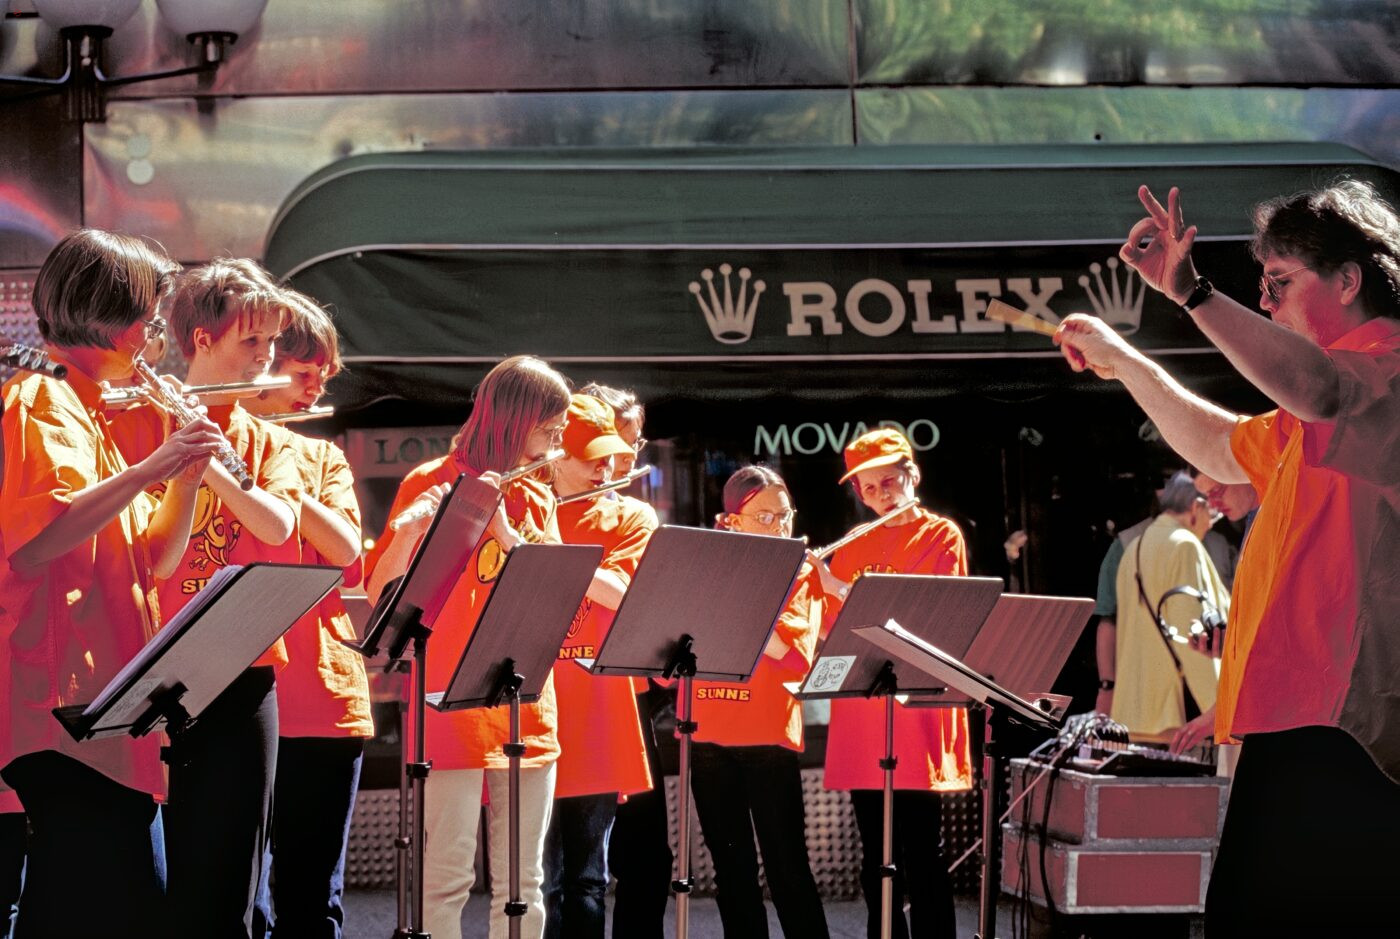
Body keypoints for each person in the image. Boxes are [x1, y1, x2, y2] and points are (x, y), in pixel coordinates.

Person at [1055, 180, 1400, 934]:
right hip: (1302, 718)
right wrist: (1125, 359)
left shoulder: (1382, 373)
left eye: (1278, 284)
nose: (1266, 304)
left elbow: (1318, 390)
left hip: (1353, 728)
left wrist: (1194, 294)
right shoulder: (1316, 403)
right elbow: (1219, 445)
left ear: (1348, 279)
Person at [0, 229, 225, 937]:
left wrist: (186, 477)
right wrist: (155, 465)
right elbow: (36, 543)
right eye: (150, 320)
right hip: (63, 713)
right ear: (106, 315)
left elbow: (155, 561)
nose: (155, 338)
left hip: (104, 711)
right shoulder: (43, 399)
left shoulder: (90, 412)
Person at [110, 258, 302, 938]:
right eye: (253, 340)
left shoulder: (262, 435)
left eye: (271, 342)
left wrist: (209, 461)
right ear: (201, 340)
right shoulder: (132, 421)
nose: (267, 355)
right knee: (149, 879)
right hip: (142, 667)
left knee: (231, 883)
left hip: (242, 667)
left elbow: (278, 526)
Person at [365, 355, 576, 939]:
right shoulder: (428, 481)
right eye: (550, 429)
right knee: (447, 875)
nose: (557, 443)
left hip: (524, 697)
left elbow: (555, 595)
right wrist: (410, 533)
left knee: (524, 883)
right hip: (447, 695)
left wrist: (505, 531)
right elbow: (377, 590)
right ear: (515, 420)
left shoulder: (536, 496)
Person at [243, 288, 373, 939]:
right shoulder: (217, 443)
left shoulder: (321, 456)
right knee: (242, 902)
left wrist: (282, 477)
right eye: (303, 372)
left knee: (312, 900)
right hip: (237, 700)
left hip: (322, 696)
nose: (316, 387)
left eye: (324, 375)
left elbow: (347, 552)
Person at [822, 427, 968, 939]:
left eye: (889, 481)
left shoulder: (941, 534)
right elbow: (833, 634)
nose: (881, 495)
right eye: (869, 487)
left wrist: (837, 588)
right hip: (863, 713)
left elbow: (928, 615)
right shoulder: (851, 545)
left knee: (924, 850)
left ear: (914, 475)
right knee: (875, 856)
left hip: (914, 712)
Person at [691, 465, 832, 939]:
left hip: (768, 732)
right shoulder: (703, 567)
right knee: (731, 872)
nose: (780, 527)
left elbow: (784, 647)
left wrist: (725, 602)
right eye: (765, 518)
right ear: (732, 521)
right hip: (707, 731)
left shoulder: (801, 570)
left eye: (785, 515)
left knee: (787, 866)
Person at [542, 393, 655, 939]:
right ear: (555, 456)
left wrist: (541, 543)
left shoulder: (631, 514)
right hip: (532, 710)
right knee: (534, 881)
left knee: (587, 878)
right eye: (592, 457)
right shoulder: (521, 507)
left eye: (611, 455)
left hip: (598, 712)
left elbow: (625, 594)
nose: (607, 468)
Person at [577, 383, 674, 939]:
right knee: (575, 866)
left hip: (628, 694)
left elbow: (630, 596)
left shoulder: (632, 513)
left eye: (633, 444)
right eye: (615, 440)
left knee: (645, 853)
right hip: (564, 691)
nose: (624, 457)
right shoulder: (542, 505)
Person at [1103, 472, 1225, 747]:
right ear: (1195, 507)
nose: (1210, 525)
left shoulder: (1134, 548)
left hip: (1133, 712)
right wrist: (1220, 710)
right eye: (1212, 515)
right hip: (1173, 719)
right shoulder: (1184, 545)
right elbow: (1192, 633)